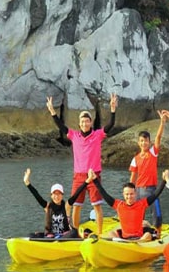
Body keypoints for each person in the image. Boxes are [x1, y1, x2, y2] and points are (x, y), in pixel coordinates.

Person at [47, 93, 117, 235]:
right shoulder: (74, 135)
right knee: (76, 206)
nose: (85, 124)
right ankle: (74, 232)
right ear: (79, 124)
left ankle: (99, 234)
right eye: (82, 122)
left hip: (94, 175)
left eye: (87, 121)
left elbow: (110, 126)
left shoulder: (97, 135)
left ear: (91, 123)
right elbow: (62, 127)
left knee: (97, 206)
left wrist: (113, 110)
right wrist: (53, 113)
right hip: (79, 176)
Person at [88, 169, 164, 241]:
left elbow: (155, 195)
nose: (129, 196)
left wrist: (164, 181)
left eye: (131, 194)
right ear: (123, 195)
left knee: (148, 235)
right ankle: (122, 244)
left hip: (139, 239)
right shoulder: (119, 205)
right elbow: (104, 194)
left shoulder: (142, 204)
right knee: (110, 233)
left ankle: (136, 245)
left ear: (135, 194)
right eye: (127, 194)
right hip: (124, 239)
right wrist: (95, 180)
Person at [22, 168, 91, 238]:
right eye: (54, 194)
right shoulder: (47, 206)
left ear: (62, 195)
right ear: (51, 196)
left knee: (74, 232)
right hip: (50, 236)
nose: (57, 196)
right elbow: (37, 195)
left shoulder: (66, 206)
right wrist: (27, 183)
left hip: (64, 236)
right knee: (30, 235)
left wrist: (87, 181)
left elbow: (76, 194)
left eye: (59, 194)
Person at [129, 111, 165, 228]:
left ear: (149, 142)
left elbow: (158, 137)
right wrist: (130, 191)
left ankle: (158, 235)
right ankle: (138, 234)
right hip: (139, 190)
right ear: (138, 143)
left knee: (157, 215)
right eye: (141, 141)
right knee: (139, 216)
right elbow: (133, 177)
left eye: (146, 140)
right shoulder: (135, 158)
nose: (144, 143)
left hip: (152, 189)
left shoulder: (153, 153)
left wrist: (162, 122)